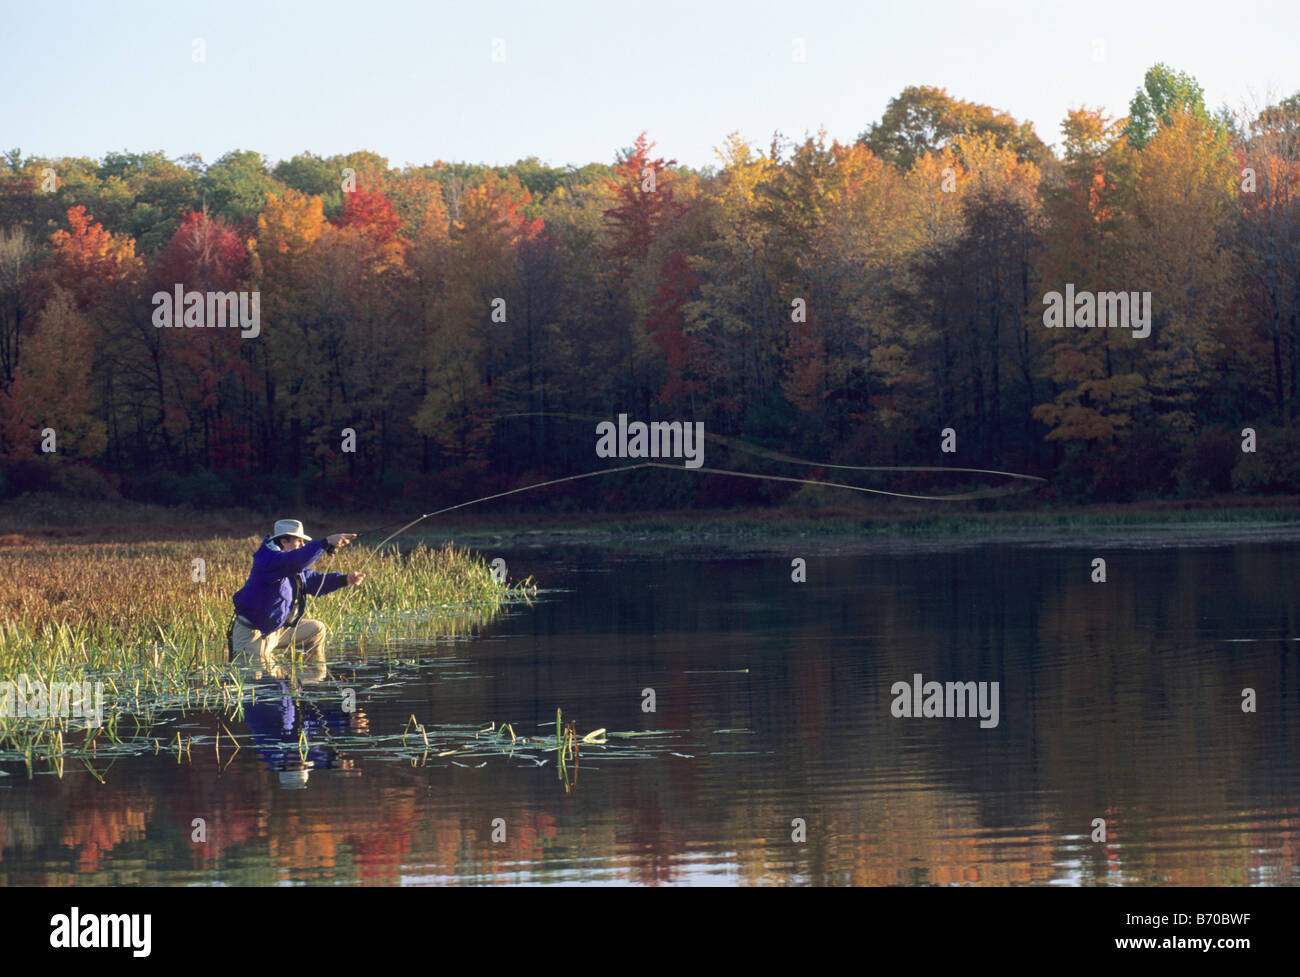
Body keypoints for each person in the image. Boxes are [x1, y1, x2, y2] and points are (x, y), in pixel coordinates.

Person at [227, 519, 366, 675]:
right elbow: (295, 562)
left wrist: (345, 579)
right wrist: (325, 543)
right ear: (283, 541)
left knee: (316, 630)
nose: (302, 544)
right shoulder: (268, 560)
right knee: (259, 689)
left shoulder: (289, 563)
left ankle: (297, 679)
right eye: (298, 540)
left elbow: (313, 581)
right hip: (252, 635)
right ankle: (283, 680)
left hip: (276, 631)